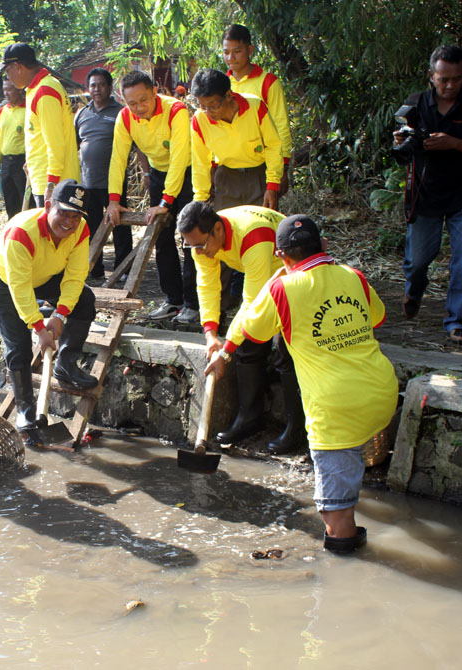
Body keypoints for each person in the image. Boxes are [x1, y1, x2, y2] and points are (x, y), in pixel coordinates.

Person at [206, 215, 397, 554]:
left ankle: (341, 573)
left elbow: (254, 329)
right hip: (382, 394)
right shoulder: (354, 276)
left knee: (333, 513)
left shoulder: (282, 289)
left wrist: (270, 285)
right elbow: (378, 316)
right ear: (323, 245)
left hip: (336, 407)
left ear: (280, 255)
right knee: (350, 459)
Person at [178, 201, 305, 453]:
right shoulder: (199, 243)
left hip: (293, 276)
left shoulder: (252, 234)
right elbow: (207, 287)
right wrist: (211, 335)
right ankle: (250, 419)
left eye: (201, 245)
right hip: (264, 279)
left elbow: (252, 303)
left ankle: (296, 429)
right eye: (190, 247)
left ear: (217, 229)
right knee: (248, 347)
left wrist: (225, 351)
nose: (198, 252)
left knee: (286, 350)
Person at [393, 45, 462, 345]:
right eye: (444, 79)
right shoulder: (416, 104)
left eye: (457, 79)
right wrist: (401, 140)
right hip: (425, 194)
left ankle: (457, 321)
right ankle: (414, 288)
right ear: (431, 76)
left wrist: (453, 142)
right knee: (417, 261)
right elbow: (401, 149)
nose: (450, 85)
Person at [0, 180, 97, 445]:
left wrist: (59, 315)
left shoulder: (80, 231)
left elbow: (76, 276)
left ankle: (66, 365)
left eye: (75, 216)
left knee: (85, 300)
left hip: (46, 273)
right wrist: (39, 329)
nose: (68, 222)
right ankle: (25, 411)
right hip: (3, 278)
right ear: (48, 207)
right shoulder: (22, 232)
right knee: (18, 344)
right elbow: (19, 287)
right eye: (63, 213)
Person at [105, 71, 199, 324]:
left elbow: (180, 157)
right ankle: (173, 300)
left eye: (143, 100)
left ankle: (193, 303)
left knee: (191, 237)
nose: (139, 108)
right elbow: (117, 159)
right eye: (131, 103)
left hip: (190, 172)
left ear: (155, 91)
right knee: (161, 237)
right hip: (159, 173)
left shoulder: (175, 109)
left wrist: (166, 202)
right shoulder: (125, 118)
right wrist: (114, 199)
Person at [190, 68, 283, 212]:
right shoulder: (199, 120)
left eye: (213, 106)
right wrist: (200, 198)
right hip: (226, 178)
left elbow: (273, 146)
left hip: (258, 176)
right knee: (228, 228)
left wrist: (272, 185)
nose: (208, 112)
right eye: (202, 106)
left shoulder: (255, 107)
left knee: (262, 226)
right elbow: (200, 162)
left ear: (228, 95)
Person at [2, 42, 81, 207]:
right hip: (44, 180)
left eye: (7, 71)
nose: (8, 77)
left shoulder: (45, 91)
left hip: (57, 185)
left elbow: (56, 143)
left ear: (17, 67)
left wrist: (51, 184)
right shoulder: (35, 89)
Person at [74, 67, 132, 280]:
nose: (96, 89)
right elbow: (74, 145)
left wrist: (145, 173)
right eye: (92, 85)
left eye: (101, 85)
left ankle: (123, 269)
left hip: (114, 182)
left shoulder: (120, 112)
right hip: (88, 182)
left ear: (109, 87)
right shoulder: (82, 114)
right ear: (87, 88)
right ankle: (95, 268)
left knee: (120, 225)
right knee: (91, 226)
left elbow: (136, 144)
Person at [222, 24, 293, 195]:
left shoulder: (268, 82)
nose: (231, 57)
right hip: (228, 170)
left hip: (262, 167)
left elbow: (281, 126)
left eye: (237, 51)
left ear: (250, 49)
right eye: (226, 52)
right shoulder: (221, 84)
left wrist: (282, 169)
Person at [0, 78, 28, 218]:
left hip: (23, 162)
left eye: (9, 89)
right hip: (6, 163)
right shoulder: (1, 112)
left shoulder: (28, 109)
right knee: (10, 200)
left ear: (19, 89)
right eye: (4, 90)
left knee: (25, 200)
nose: (6, 93)